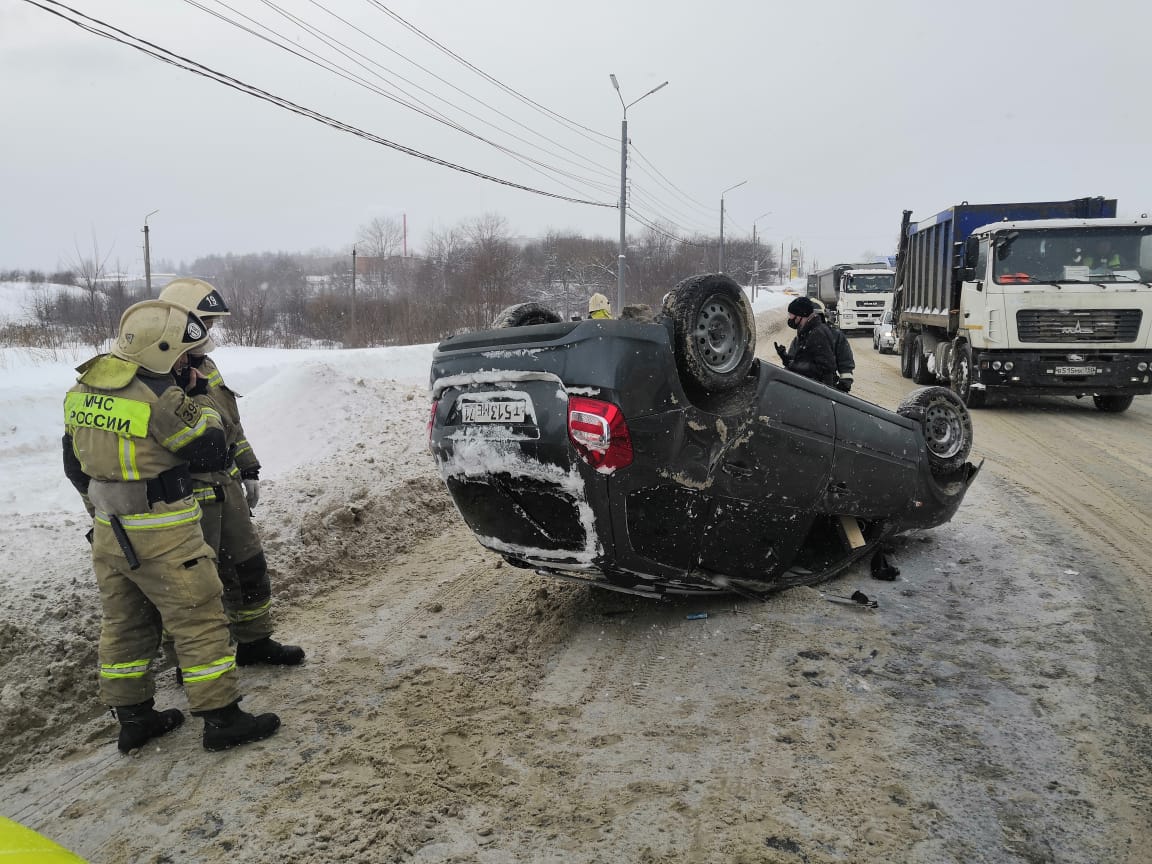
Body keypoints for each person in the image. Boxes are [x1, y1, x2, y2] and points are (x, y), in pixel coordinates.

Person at [62, 300, 281, 752]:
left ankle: (135, 719)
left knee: (126, 623)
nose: (186, 361)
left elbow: (74, 464)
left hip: (110, 529)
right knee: (199, 618)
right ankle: (222, 719)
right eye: (181, 354)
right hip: (163, 529)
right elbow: (210, 450)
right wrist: (195, 396)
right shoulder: (160, 398)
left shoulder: (81, 389)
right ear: (159, 350)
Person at [158, 278, 305, 668]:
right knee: (194, 584)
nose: (209, 331)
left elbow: (230, 423)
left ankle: (255, 641)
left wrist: (248, 466)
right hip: (187, 494)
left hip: (226, 486)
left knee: (247, 567)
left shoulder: (206, 366)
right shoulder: (156, 374)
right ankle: (190, 661)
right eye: (204, 321)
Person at [773, 296, 837, 386]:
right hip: (808, 385)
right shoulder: (807, 331)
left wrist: (793, 365)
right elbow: (805, 359)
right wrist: (786, 358)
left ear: (800, 315)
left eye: (791, 315)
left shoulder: (817, 333)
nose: (790, 318)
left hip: (816, 390)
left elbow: (825, 368)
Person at [811, 299, 855, 392]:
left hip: (829, 387)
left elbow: (845, 363)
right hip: (803, 387)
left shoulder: (836, 336)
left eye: (817, 316)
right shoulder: (801, 336)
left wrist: (845, 384)